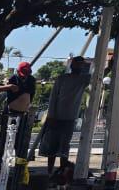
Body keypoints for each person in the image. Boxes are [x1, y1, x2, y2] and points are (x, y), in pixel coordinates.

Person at [38, 55, 92, 183]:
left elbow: (98, 76)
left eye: (81, 64)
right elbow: (53, 98)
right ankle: (50, 172)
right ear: (72, 65)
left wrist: (109, 67)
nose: (79, 66)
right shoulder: (61, 79)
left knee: (64, 147)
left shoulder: (83, 80)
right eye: (77, 64)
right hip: (55, 117)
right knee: (51, 146)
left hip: (69, 118)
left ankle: (62, 172)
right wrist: (51, 115)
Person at [0, 61, 36, 156]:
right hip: (11, 113)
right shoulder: (13, 79)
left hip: (23, 114)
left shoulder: (31, 80)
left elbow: (31, 94)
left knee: (21, 141)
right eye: (23, 74)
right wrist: (9, 86)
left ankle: (19, 162)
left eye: (27, 73)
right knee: (5, 139)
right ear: (18, 71)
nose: (24, 76)